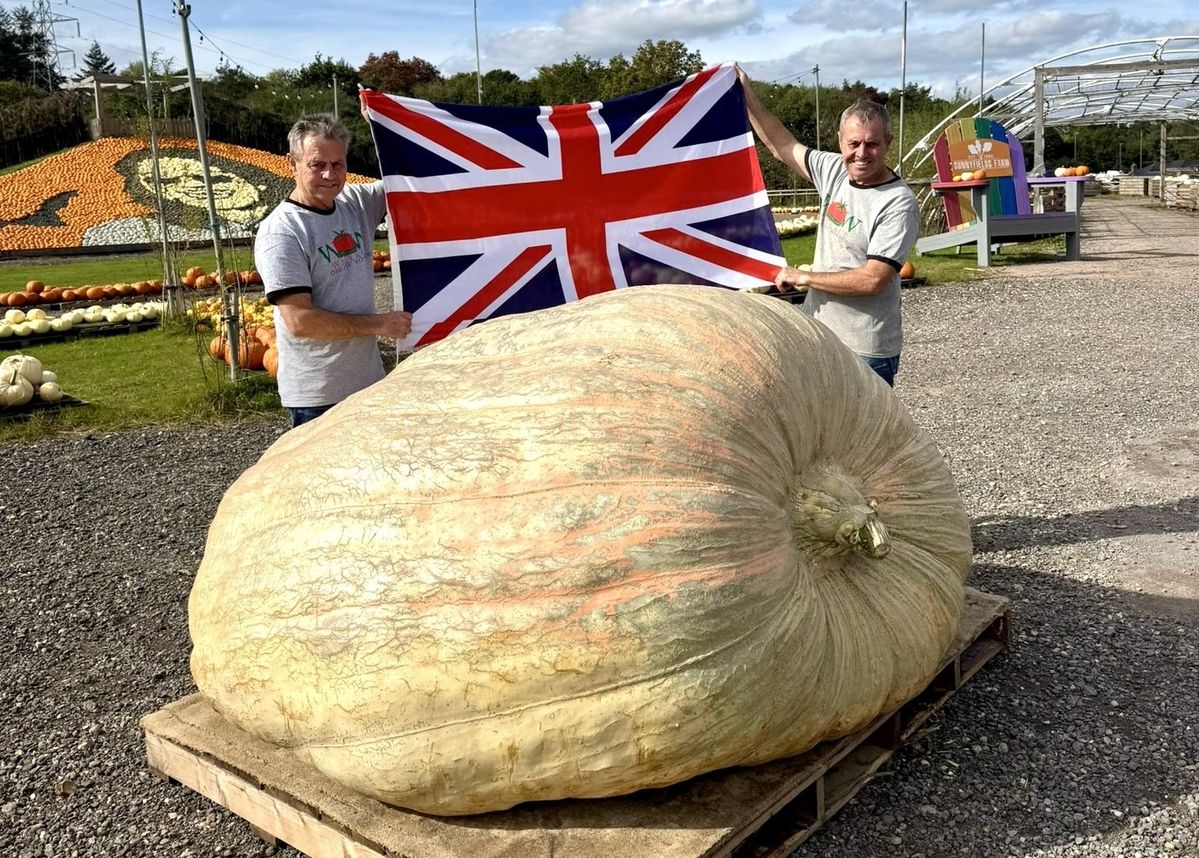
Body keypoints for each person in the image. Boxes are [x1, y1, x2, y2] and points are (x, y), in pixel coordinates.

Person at [737, 66, 919, 386]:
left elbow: (872, 280)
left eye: (872, 144)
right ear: (840, 141)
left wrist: (803, 276)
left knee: (859, 437)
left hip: (865, 350)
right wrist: (745, 94)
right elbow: (781, 145)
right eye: (853, 144)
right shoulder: (833, 169)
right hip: (819, 336)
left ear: (888, 142)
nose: (861, 154)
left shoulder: (897, 202)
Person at [254, 112, 412, 428]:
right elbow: (300, 321)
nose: (330, 174)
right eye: (317, 164)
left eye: (338, 164)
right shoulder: (282, 232)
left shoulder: (354, 201)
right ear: (292, 164)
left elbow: (408, 178)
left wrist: (384, 123)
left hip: (368, 384)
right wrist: (381, 324)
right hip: (319, 397)